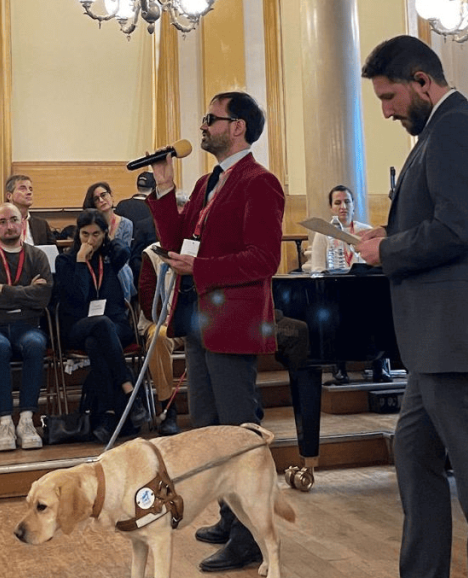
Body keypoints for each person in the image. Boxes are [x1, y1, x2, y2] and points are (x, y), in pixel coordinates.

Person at [356, 35, 468, 578]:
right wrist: (388, 233)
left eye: (390, 98)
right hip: (437, 342)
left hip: (457, 338)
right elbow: (446, 216)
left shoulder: (455, 127)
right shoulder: (441, 128)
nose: (387, 111)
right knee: (414, 456)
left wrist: (387, 251)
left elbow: (460, 228)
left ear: (421, 81)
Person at [147, 90, 284, 573]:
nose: (202, 126)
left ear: (238, 127)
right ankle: (230, 516)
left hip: (234, 319)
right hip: (202, 317)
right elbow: (174, 242)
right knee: (208, 428)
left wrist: (200, 267)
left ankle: (250, 538)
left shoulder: (259, 182)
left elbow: (266, 258)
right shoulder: (209, 180)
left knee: (237, 433)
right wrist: (164, 188)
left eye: (211, 119)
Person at [53, 209, 147, 443]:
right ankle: (128, 391)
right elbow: (77, 296)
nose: (90, 240)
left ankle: (106, 417)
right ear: (78, 234)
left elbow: (123, 252)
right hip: (78, 325)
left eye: (96, 234)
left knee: (98, 342)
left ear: (104, 235)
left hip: (113, 326)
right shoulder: (65, 260)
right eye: (85, 234)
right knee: (99, 328)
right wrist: (81, 262)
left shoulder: (110, 258)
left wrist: (108, 242)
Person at [0, 202, 52, 452]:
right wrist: (26, 292)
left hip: (26, 326)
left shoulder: (37, 256)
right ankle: (5, 421)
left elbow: (43, 297)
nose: (9, 226)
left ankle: (27, 419)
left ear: (22, 223)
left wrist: (3, 291)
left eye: (13, 220)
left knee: (36, 344)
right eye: (2, 222)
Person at [307, 184, 390, 385]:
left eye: (347, 202)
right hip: (336, 290)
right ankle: (339, 367)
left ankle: (380, 364)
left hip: (362, 289)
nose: (343, 206)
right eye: (338, 203)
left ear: (354, 205)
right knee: (334, 313)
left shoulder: (366, 231)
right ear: (331, 207)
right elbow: (317, 268)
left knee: (379, 310)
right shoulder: (324, 234)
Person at [138, 239, 185, 436]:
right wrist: (167, 319)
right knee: (158, 338)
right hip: (162, 321)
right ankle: (168, 405)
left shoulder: (203, 248)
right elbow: (148, 299)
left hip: (198, 320)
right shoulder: (151, 253)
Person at [83, 182, 136, 301]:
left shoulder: (126, 223)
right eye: (97, 199)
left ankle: (123, 311)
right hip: (98, 267)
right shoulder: (92, 226)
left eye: (104, 195)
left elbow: (124, 256)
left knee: (122, 271)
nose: (101, 200)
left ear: (111, 196)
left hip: (119, 267)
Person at [0, 174, 57, 245]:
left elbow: (53, 251)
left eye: (30, 189)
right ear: (9, 196)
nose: (29, 192)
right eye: (23, 189)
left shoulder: (41, 224)